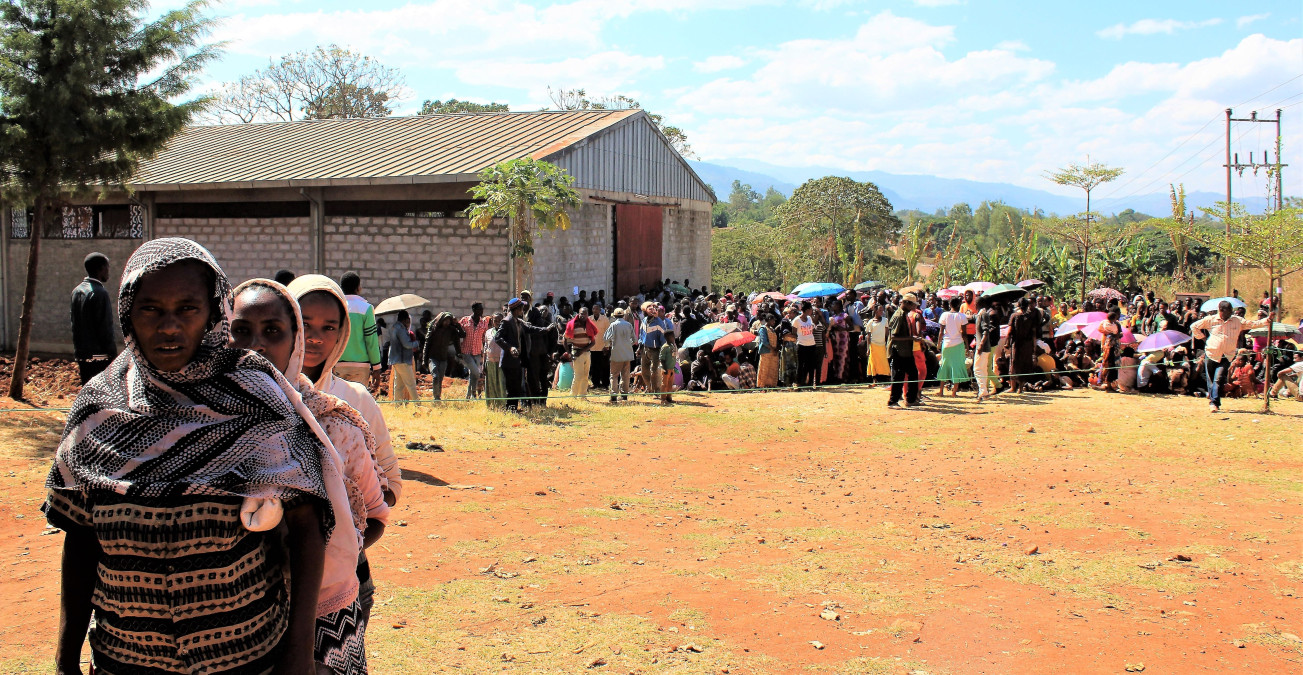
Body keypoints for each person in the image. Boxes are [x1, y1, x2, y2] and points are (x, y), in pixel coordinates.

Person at [45, 239, 354, 675]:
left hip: (243, 656)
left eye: (188, 308)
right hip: (126, 657)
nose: (169, 327)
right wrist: (65, 658)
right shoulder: (98, 407)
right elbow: (80, 537)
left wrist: (299, 652)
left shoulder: (255, 397)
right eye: (150, 309)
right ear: (128, 314)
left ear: (213, 313)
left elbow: (306, 525)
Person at [230, 279, 391, 674]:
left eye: (273, 330)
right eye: (242, 331)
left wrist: (342, 551)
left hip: (328, 604)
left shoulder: (339, 416)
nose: (257, 345)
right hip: (236, 613)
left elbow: (380, 501)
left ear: (292, 337)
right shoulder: (206, 419)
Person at [1189, 300, 1274, 412]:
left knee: (1218, 378)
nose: (1230, 313)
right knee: (1211, 380)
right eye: (1228, 311)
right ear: (1221, 310)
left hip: (1227, 355)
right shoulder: (1210, 320)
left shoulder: (1237, 321)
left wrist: (1267, 320)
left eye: (1231, 311)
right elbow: (1194, 326)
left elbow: (1252, 324)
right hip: (1211, 354)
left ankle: (1214, 403)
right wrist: (1202, 337)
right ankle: (1213, 399)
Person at [70, 251, 117, 384]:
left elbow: (74, 323)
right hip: (99, 355)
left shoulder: (77, 291)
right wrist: (112, 354)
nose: (108, 271)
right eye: (107, 267)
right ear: (101, 269)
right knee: (102, 391)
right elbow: (105, 327)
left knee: (87, 390)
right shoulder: (100, 293)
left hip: (81, 353)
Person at [496, 298, 550, 412]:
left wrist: (545, 329)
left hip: (517, 360)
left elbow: (530, 328)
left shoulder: (518, 321)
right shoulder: (506, 321)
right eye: (521, 308)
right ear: (516, 309)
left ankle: (513, 409)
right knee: (511, 387)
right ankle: (510, 410)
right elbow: (498, 338)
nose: (523, 309)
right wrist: (510, 348)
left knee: (516, 386)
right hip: (508, 361)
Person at [336, 272, 382, 387]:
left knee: (338, 398)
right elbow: (371, 341)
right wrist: (376, 367)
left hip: (337, 364)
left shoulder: (336, 307)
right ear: (358, 288)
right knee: (358, 398)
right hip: (360, 366)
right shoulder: (366, 308)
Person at [887, 294, 922, 407]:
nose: (914, 307)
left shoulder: (904, 314)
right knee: (899, 376)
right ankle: (893, 401)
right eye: (912, 304)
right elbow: (893, 336)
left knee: (913, 374)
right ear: (906, 303)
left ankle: (911, 400)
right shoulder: (899, 315)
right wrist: (911, 338)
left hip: (906, 351)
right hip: (899, 351)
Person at [422, 312, 465, 400]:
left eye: (449, 321)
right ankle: (436, 397)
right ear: (441, 320)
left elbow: (462, 335)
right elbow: (427, 344)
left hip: (443, 358)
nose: (447, 323)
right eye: (445, 320)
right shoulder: (434, 329)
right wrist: (424, 359)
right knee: (435, 376)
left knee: (440, 379)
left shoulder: (451, 330)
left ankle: (438, 397)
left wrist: (457, 324)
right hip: (433, 358)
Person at [936, 296, 969, 397]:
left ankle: (941, 391)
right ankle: (954, 392)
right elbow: (964, 334)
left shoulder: (944, 315)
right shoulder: (962, 316)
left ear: (949, 304)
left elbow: (941, 332)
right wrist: (967, 346)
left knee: (944, 365)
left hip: (946, 343)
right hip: (958, 344)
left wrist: (938, 343)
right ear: (959, 304)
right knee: (957, 366)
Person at [457, 303, 490, 398]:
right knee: (476, 372)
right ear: (474, 310)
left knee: (473, 374)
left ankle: (470, 395)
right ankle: (472, 393)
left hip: (477, 352)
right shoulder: (465, 320)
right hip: (466, 351)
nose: (481, 311)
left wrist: (484, 350)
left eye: (482, 309)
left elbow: (484, 337)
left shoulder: (483, 323)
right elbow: (458, 332)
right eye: (479, 309)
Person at [1007, 297, 1038, 394]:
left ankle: (1013, 387)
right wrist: (1034, 346)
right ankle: (1020, 387)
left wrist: (1007, 343)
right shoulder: (1030, 317)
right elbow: (1034, 333)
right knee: (1024, 364)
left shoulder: (1014, 315)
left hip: (1016, 343)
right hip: (1027, 344)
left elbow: (1009, 331)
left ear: (1018, 305)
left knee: (1014, 364)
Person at [565, 307, 599, 397]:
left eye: (585, 314)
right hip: (576, 352)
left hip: (586, 353)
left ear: (588, 315)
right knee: (578, 375)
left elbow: (593, 342)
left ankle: (582, 395)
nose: (583, 315)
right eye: (581, 313)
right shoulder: (573, 325)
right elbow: (565, 340)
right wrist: (569, 353)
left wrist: (583, 350)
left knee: (585, 375)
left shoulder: (589, 325)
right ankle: (573, 395)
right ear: (578, 314)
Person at [605, 307, 635, 403]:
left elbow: (606, 338)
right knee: (625, 375)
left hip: (616, 353)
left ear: (614, 316)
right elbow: (634, 340)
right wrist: (627, 345)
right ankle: (624, 395)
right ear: (623, 315)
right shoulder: (629, 325)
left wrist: (608, 346)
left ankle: (614, 395)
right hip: (627, 353)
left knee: (614, 375)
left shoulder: (613, 325)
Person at [388, 310, 420, 402]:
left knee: (399, 385)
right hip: (403, 360)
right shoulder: (401, 329)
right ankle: (417, 405)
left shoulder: (394, 327)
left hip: (396, 360)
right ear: (405, 320)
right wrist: (417, 343)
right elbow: (407, 344)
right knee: (411, 384)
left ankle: (397, 405)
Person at [639, 302, 668, 401]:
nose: (652, 310)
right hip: (645, 349)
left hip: (656, 350)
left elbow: (663, 337)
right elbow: (641, 334)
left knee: (654, 371)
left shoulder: (659, 322)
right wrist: (640, 347)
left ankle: (656, 391)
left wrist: (663, 351)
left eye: (654, 308)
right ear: (645, 310)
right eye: (649, 308)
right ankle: (650, 388)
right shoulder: (644, 320)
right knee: (644, 371)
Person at [483, 312, 507, 408]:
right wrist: (484, 363)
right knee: (491, 384)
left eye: (499, 320)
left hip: (501, 362)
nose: (497, 322)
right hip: (490, 362)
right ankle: (492, 405)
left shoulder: (505, 332)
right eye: (495, 320)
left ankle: (503, 405)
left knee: (501, 384)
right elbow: (486, 347)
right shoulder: (488, 332)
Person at [794, 302, 818, 388]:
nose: (812, 311)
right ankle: (798, 383)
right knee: (800, 365)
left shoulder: (809, 318)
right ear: (807, 310)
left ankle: (810, 383)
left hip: (812, 344)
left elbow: (813, 329)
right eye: (811, 309)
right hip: (801, 345)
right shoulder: (797, 320)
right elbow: (794, 332)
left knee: (811, 365)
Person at [864, 303, 890, 384]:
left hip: (882, 344)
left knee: (883, 361)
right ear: (875, 311)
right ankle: (874, 378)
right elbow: (868, 336)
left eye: (882, 310)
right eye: (880, 310)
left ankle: (886, 377)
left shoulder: (885, 320)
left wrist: (887, 344)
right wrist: (868, 348)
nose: (882, 312)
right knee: (873, 361)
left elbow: (887, 334)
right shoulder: (870, 322)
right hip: (873, 345)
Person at [589, 304, 611, 390]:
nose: (595, 310)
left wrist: (607, 346)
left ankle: (605, 384)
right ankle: (595, 383)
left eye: (597, 309)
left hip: (603, 347)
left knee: (604, 366)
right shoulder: (589, 319)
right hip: (592, 347)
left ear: (600, 310)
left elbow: (608, 333)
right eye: (594, 309)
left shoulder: (605, 319)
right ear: (592, 310)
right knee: (594, 366)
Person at [756, 313, 780, 389]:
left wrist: (776, 349)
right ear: (769, 320)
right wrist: (773, 349)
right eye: (773, 320)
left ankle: (771, 385)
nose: (774, 322)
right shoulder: (763, 329)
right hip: (766, 352)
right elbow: (764, 341)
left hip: (774, 353)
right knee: (765, 369)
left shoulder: (772, 329)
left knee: (772, 369)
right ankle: (762, 385)